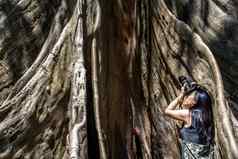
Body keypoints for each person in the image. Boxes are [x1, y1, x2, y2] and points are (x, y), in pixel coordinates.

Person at [164, 81, 214, 159]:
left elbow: (167, 111)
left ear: (194, 102)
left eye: (189, 96)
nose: (186, 97)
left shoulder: (188, 114)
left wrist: (180, 95)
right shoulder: (207, 116)